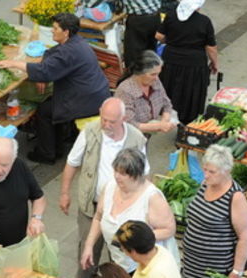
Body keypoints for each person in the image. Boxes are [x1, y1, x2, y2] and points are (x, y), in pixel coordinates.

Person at [0, 13, 111, 164]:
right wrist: (43, 70)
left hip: (86, 101)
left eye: (55, 28)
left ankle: (47, 154)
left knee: (44, 110)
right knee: (50, 105)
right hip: (95, 94)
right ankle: (57, 147)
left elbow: (44, 71)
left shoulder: (68, 52)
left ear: (66, 32)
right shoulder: (77, 42)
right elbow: (51, 54)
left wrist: (13, 64)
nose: (51, 30)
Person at [60, 98, 149, 278]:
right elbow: (72, 162)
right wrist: (64, 193)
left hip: (122, 210)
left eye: (112, 121)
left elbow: (144, 174)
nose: (106, 124)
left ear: (123, 118)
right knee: (87, 252)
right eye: (103, 119)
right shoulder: (90, 132)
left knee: (121, 258)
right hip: (92, 206)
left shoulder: (136, 138)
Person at [80, 149, 178, 275]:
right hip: (118, 258)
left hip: (142, 265)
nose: (116, 176)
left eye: (122, 173)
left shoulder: (152, 198)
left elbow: (169, 230)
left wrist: (131, 240)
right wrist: (89, 245)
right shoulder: (109, 187)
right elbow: (98, 217)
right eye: (115, 170)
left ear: (136, 175)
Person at [182, 145, 247, 278]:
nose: (206, 175)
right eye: (205, 169)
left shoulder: (235, 197)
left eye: (212, 172)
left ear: (226, 171)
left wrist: (237, 271)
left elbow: (245, 236)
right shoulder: (206, 184)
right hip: (191, 265)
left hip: (215, 269)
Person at [156, 0, 218, 124]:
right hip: (194, 65)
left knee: (171, 90)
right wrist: (214, 64)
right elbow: (211, 48)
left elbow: (159, 36)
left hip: (171, 61)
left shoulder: (171, 15)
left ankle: (168, 117)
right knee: (191, 95)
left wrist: (171, 41)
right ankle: (186, 124)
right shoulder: (204, 21)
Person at [115, 51, 176, 138]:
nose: (157, 78)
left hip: (146, 135)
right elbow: (129, 124)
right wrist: (159, 126)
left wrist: (164, 121)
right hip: (130, 137)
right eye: (153, 74)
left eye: (158, 74)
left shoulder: (155, 82)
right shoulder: (126, 90)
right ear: (140, 73)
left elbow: (167, 104)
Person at [116, 220, 181, 278]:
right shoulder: (159, 250)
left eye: (122, 249)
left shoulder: (156, 274)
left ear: (133, 252)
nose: (125, 254)